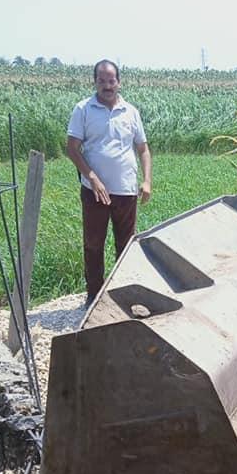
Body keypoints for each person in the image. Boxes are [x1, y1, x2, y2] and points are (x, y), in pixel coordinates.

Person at [66, 60, 152, 307]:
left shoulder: (131, 112)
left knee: (126, 247)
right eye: (101, 81)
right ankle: (94, 297)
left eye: (111, 80)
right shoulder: (83, 109)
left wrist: (147, 181)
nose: (107, 85)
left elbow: (143, 149)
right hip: (94, 192)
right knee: (93, 244)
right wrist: (91, 177)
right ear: (95, 82)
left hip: (125, 190)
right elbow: (72, 148)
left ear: (119, 82)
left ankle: (121, 297)